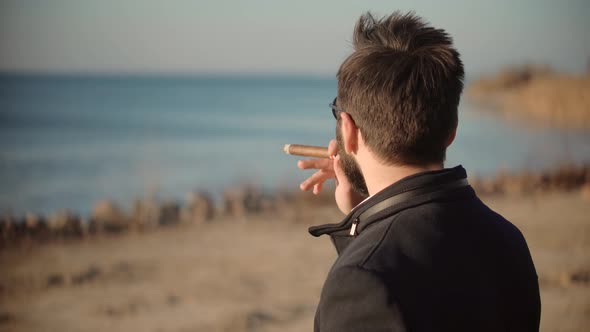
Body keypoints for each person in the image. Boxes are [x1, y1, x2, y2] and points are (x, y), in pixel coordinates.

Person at [296, 12, 541, 332]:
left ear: (348, 130)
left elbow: (382, 273)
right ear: (452, 129)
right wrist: (364, 215)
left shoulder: (362, 281)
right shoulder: (507, 239)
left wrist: (368, 232)